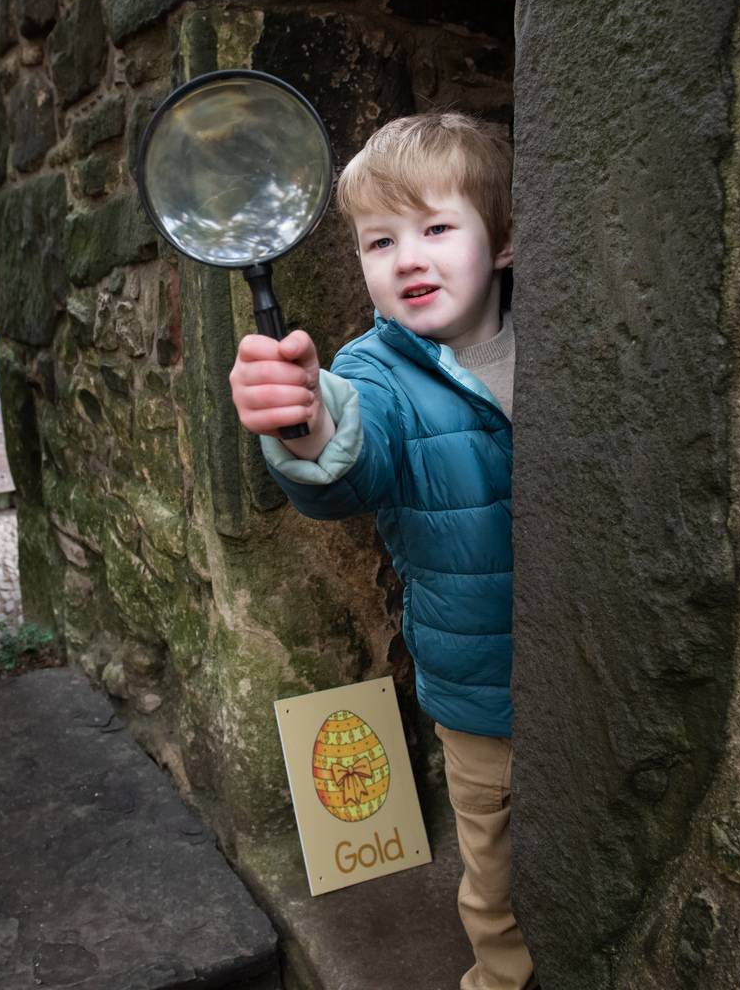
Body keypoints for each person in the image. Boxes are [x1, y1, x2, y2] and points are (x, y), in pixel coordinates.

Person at [229, 112, 532, 990]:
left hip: (593, 667)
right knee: (495, 872)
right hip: (480, 688)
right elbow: (348, 451)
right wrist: (305, 418)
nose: (407, 257)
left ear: (503, 241)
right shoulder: (378, 373)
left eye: (437, 228)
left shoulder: (565, 340)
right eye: (379, 240)